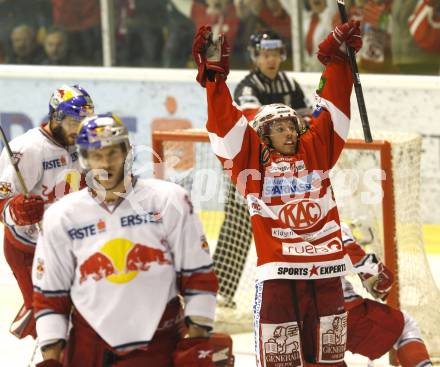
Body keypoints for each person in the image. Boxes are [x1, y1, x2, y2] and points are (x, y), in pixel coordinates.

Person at [193, 19, 362, 366]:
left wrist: (338, 60)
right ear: (263, 136)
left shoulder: (316, 152)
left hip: (327, 272)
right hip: (280, 276)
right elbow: (227, 126)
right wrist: (215, 81)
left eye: (292, 126)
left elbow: (333, 111)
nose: (289, 132)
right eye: (279, 128)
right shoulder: (252, 166)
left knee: (331, 362)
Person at [32, 114, 220, 367]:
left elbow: (198, 274)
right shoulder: (61, 216)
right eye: (97, 155)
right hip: (90, 348)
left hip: (160, 343)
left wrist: (198, 341)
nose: (105, 163)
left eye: (112, 153)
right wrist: (51, 359)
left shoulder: (168, 200)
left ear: (127, 152)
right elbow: (51, 295)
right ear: (84, 159)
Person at [214, 29, 311, 307]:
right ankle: (223, 289)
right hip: (249, 168)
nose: (271, 59)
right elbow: (254, 128)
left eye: (275, 54)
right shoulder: (247, 87)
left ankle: (296, 282)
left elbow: (306, 123)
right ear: (255, 56)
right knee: (239, 225)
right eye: (265, 54)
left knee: (290, 223)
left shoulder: (290, 83)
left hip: (285, 172)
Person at [0, 84, 94, 339]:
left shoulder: (84, 142)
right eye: (75, 121)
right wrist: (16, 210)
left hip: (67, 245)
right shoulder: (27, 150)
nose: (81, 127)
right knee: (49, 323)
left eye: (85, 120)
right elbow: (1, 202)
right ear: (56, 117)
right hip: (27, 248)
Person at [341, 223, 433, 367]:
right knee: (405, 326)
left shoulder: (291, 232)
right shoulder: (332, 227)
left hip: (296, 321)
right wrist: (381, 283)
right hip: (345, 316)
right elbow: (377, 277)